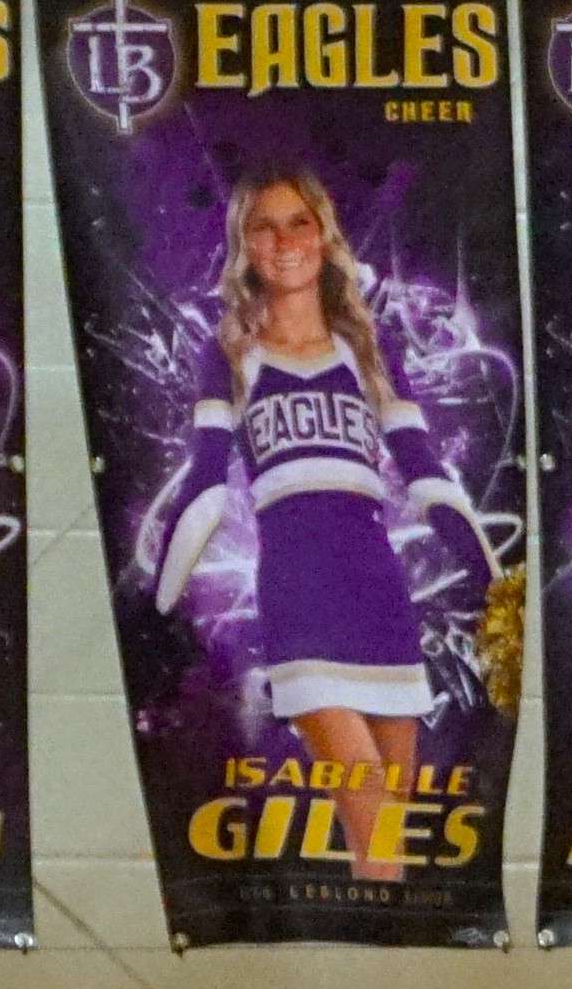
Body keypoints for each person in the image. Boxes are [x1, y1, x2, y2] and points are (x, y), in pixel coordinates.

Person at [152, 167, 493, 889]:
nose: (282, 241)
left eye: (298, 222)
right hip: (300, 601)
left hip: (380, 600)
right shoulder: (230, 354)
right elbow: (206, 478)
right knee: (368, 802)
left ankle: (388, 986)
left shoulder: (369, 352)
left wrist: (495, 579)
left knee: (389, 829)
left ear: (324, 236)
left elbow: (427, 473)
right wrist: (160, 595)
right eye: (263, 226)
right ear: (244, 244)